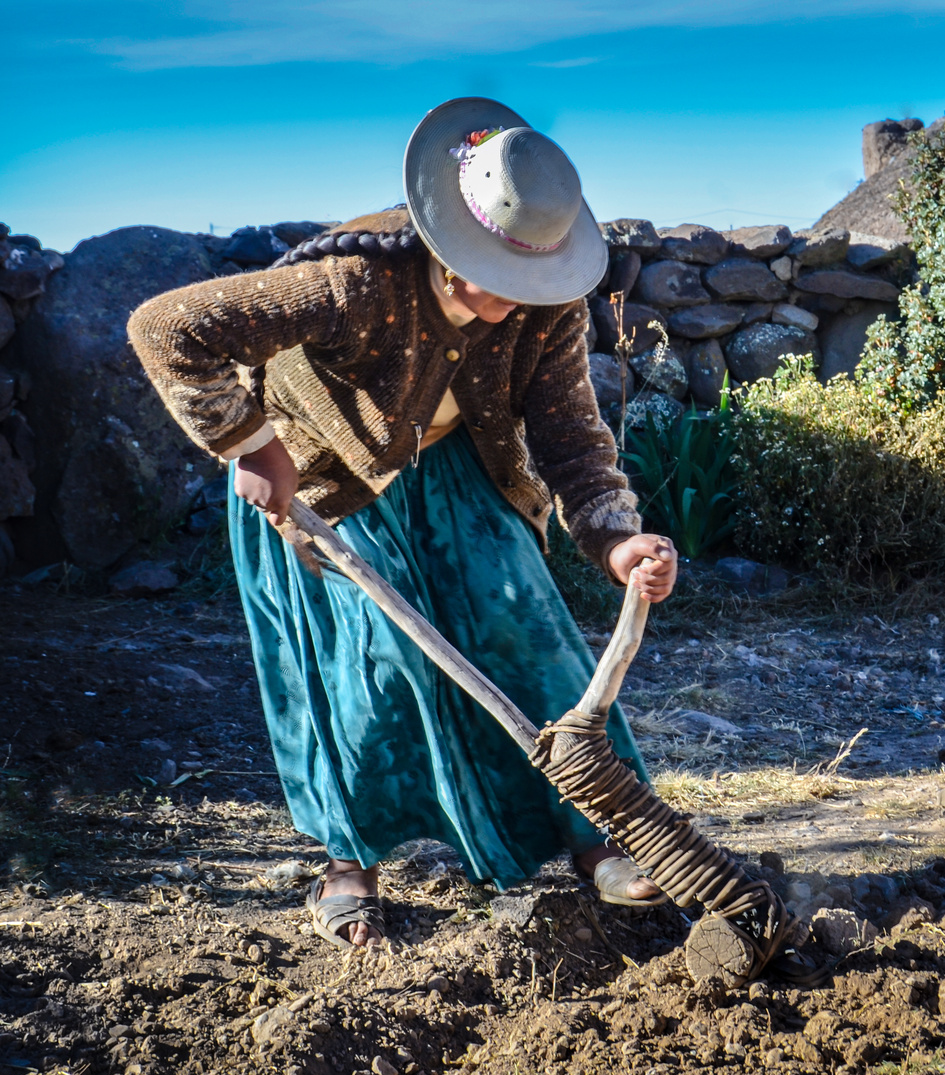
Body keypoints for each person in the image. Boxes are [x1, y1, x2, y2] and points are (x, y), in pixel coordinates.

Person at [130, 98, 674, 948]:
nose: (504, 305)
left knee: (530, 637)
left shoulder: (548, 294)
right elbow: (165, 327)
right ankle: (349, 867)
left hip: (461, 476)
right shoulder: (352, 277)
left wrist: (616, 539)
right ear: (448, 236)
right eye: (486, 276)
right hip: (321, 488)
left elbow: (569, 436)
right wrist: (253, 444)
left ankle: (598, 835)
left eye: (521, 283)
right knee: (368, 678)